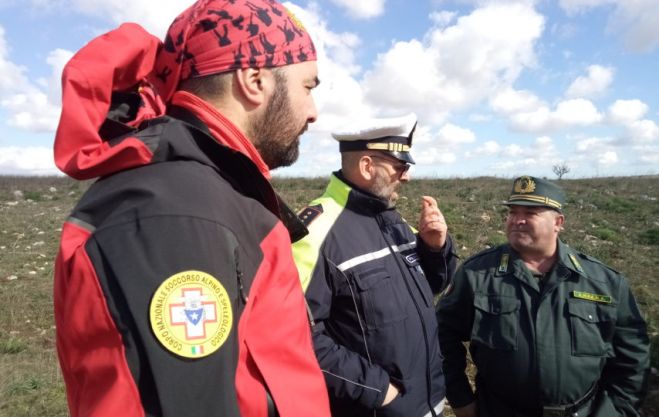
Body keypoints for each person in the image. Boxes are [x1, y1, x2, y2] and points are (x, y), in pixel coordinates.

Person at [52, 1, 331, 416]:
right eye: (308, 87)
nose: (313, 112)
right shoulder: (177, 216)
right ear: (254, 80)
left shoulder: (212, 195)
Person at [437, 175, 650, 417]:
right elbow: (442, 336)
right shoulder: (477, 274)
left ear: (558, 222)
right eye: (513, 212)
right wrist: (461, 399)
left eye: (530, 213)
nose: (517, 220)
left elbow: (633, 357)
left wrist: (620, 409)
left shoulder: (604, 282)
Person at [292, 113, 458, 417]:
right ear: (368, 166)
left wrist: (435, 249)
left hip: (428, 401)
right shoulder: (315, 233)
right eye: (400, 166)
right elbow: (296, 335)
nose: (406, 176)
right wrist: (380, 392)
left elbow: (431, 288)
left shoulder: (393, 220)